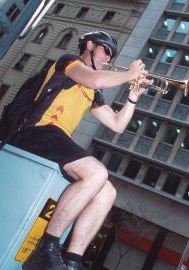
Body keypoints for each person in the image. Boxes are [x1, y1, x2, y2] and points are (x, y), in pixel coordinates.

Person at [10, 31, 151, 270]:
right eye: (106, 50)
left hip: (55, 139)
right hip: (37, 131)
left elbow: (117, 124)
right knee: (96, 173)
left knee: (107, 192)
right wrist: (129, 73)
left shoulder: (93, 92)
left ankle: (72, 260)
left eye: (111, 54)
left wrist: (133, 96)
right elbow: (95, 79)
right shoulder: (69, 63)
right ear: (89, 45)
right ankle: (46, 248)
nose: (108, 57)